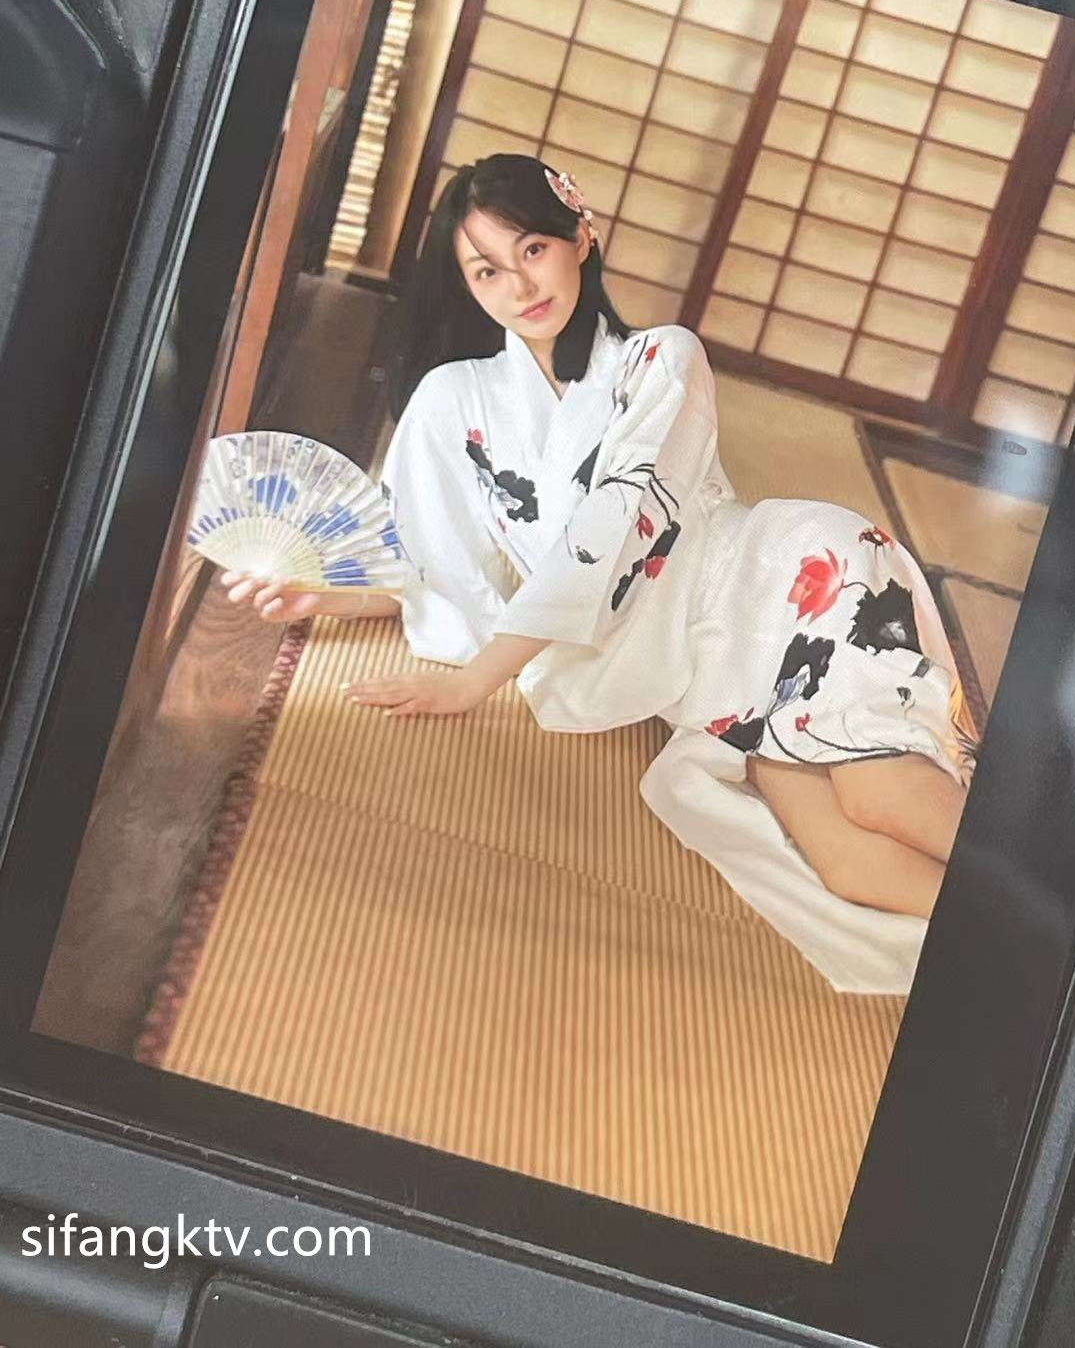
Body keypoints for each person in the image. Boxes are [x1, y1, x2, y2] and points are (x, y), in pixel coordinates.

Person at [223, 153, 978, 992]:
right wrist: (335, 592)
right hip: (712, 678)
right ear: (465, 286)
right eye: (486, 270)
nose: (519, 284)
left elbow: (610, 535)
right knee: (845, 867)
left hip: (789, 583)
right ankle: (1025, 953)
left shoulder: (661, 359)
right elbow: (441, 560)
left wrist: (475, 682)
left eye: (533, 249)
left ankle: (1052, 913)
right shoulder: (453, 401)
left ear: (582, 237)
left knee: (878, 798)